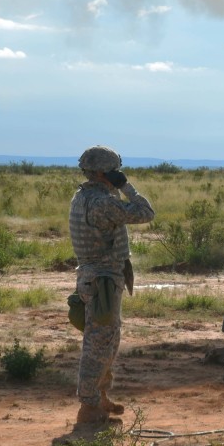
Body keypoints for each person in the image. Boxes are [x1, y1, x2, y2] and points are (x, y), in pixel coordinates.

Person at [68, 145, 156, 425]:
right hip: (103, 279)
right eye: (115, 171)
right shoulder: (102, 203)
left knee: (106, 341)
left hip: (97, 277)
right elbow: (145, 212)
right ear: (105, 172)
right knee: (99, 344)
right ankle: (89, 407)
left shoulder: (83, 197)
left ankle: (100, 397)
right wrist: (126, 186)